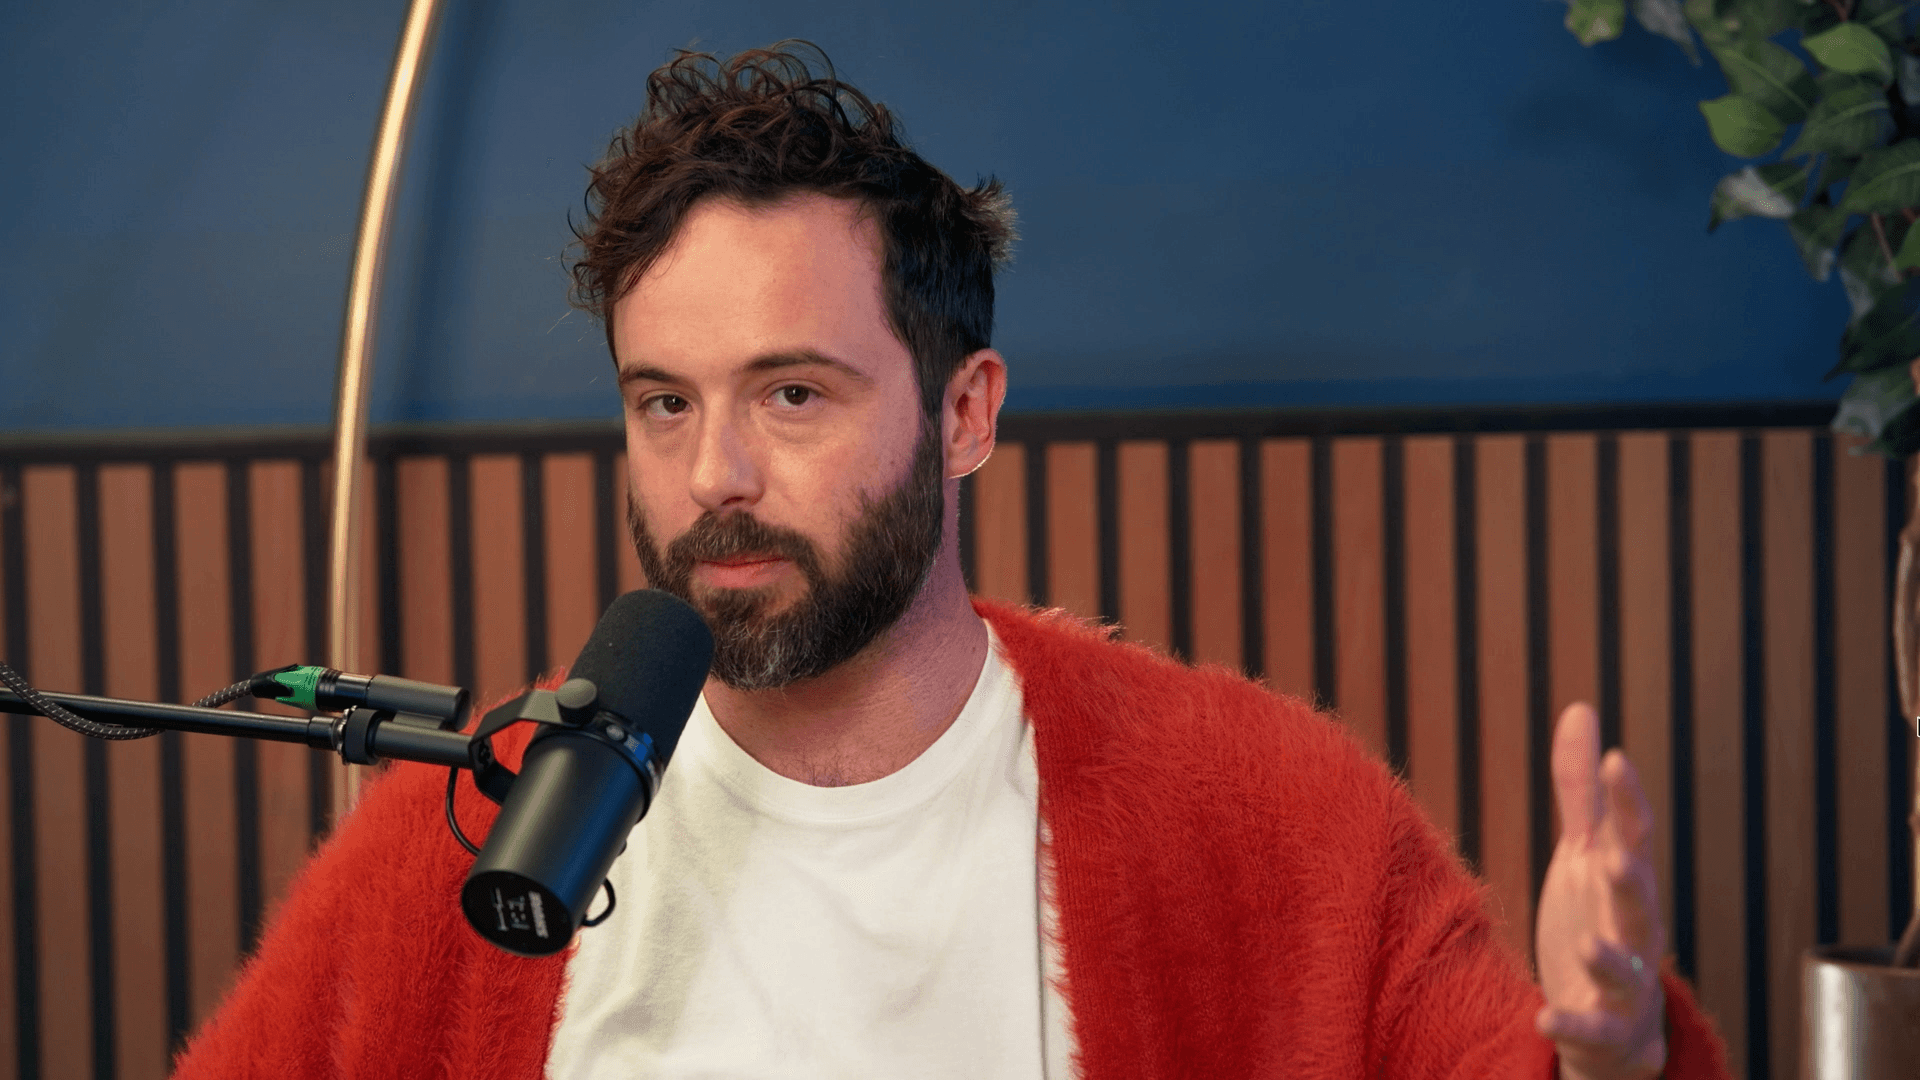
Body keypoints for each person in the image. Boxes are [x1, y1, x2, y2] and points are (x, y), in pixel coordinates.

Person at [172, 41, 1729, 1079]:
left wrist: (1617, 1055)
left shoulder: (1262, 814)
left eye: (793, 393)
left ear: (966, 411)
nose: (712, 475)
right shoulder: (467, 846)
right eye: (664, 402)